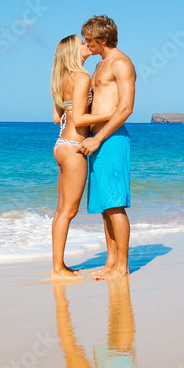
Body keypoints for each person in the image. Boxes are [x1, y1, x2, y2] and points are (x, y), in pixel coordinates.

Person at [50, 35, 116, 280]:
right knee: (69, 211)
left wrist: (78, 107)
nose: (87, 43)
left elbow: (58, 118)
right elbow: (79, 120)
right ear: (72, 51)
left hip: (60, 145)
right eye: (81, 42)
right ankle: (58, 268)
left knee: (61, 211)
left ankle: (58, 265)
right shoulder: (82, 77)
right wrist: (110, 113)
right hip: (74, 147)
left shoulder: (61, 78)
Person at [78, 15, 136, 280]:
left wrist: (99, 138)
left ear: (102, 40)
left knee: (115, 205)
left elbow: (125, 108)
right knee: (104, 207)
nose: (85, 43)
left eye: (89, 40)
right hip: (95, 140)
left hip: (110, 139)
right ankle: (111, 263)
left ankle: (122, 268)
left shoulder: (121, 63)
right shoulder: (100, 65)